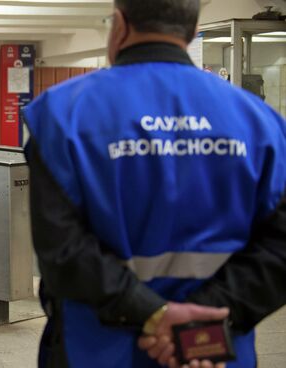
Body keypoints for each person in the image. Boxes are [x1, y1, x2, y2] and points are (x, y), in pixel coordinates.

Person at [22, 0, 286, 367]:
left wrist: (154, 313)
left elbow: (62, 254)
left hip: (95, 349)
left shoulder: (62, 115)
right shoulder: (264, 124)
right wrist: (196, 323)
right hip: (211, 349)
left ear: (119, 24)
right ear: (192, 31)